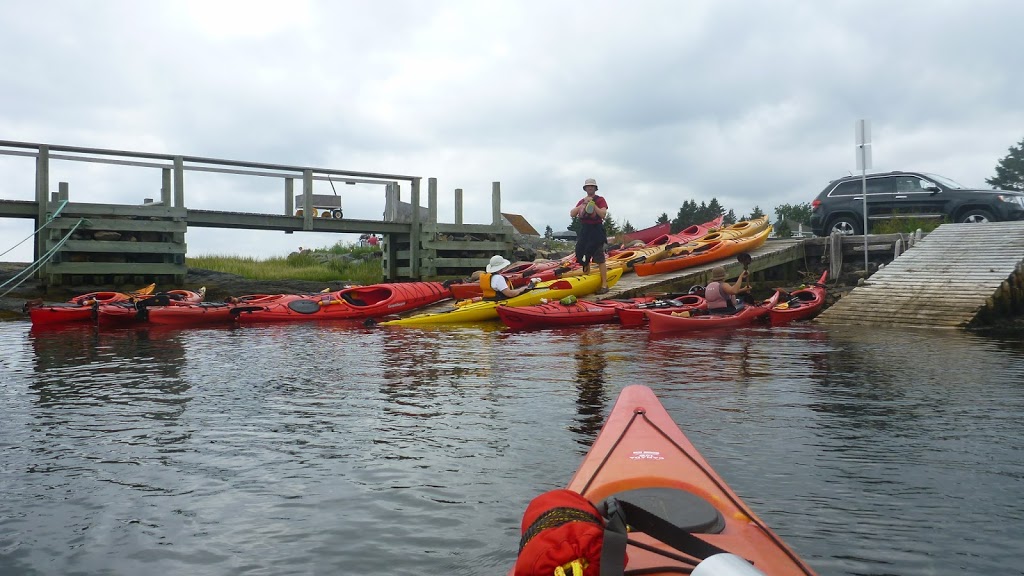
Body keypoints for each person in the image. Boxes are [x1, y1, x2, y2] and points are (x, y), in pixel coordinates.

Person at [569, 178, 609, 294]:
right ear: (585, 189)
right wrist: (584, 203)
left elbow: (603, 214)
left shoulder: (600, 200)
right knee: (582, 254)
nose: (590, 188)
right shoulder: (582, 201)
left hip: (596, 231)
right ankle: (586, 279)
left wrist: (593, 204)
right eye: (588, 186)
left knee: (599, 257)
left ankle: (604, 285)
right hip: (585, 231)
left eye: (592, 186)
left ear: (595, 188)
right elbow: (572, 213)